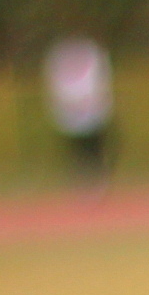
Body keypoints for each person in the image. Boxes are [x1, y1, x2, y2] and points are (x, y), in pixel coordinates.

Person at [43, 34, 114, 187]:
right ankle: (83, 178)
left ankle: (96, 177)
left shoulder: (90, 52)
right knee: (77, 147)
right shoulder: (63, 54)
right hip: (72, 110)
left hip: (91, 108)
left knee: (94, 146)